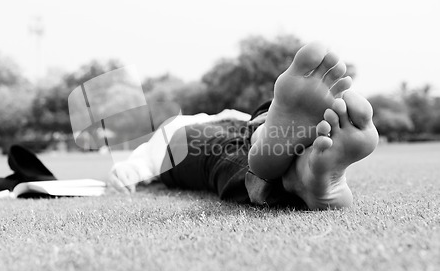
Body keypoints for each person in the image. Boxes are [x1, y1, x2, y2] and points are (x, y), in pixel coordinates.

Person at [108, 42, 379, 210]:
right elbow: (134, 167)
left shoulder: (161, 136)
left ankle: (294, 168)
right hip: (226, 129)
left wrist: (126, 170)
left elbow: (133, 167)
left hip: (204, 136)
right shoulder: (167, 133)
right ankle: (295, 168)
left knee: (231, 148)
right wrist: (128, 170)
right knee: (250, 131)